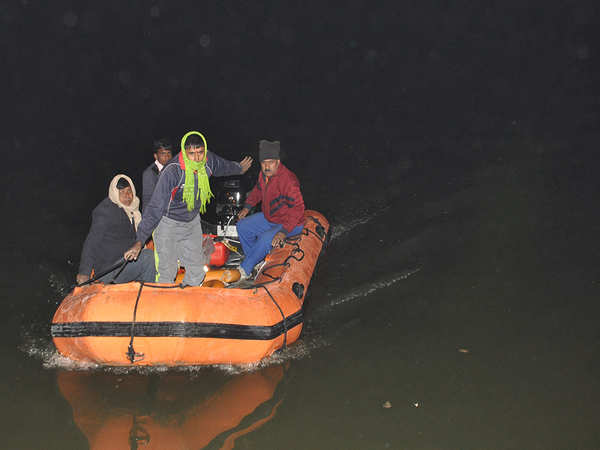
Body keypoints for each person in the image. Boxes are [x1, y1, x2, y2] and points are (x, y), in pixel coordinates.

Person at [124, 131, 253, 286]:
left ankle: (188, 301)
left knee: (197, 271)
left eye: (200, 152)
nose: (197, 158)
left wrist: (238, 168)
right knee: (167, 271)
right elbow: (155, 207)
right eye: (191, 154)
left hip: (191, 221)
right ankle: (165, 304)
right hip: (167, 223)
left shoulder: (208, 161)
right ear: (184, 153)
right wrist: (140, 240)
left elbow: (223, 166)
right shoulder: (172, 171)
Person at [236, 140, 305, 279]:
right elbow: (257, 191)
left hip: (291, 223)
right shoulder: (264, 175)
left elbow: (298, 209)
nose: (267, 166)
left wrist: (283, 232)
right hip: (271, 218)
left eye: (271, 162)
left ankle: (244, 270)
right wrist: (247, 207)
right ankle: (255, 262)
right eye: (263, 162)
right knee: (242, 226)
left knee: (265, 238)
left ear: (278, 162)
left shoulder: (288, 181)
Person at [76, 175, 156, 285]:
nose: (127, 195)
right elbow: (92, 242)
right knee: (148, 257)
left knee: (154, 258)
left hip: (127, 263)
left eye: (129, 191)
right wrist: (84, 272)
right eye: (122, 192)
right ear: (114, 192)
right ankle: (148, 297)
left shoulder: (133, 210)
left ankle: (139, 293)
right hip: (110, 270)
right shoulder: (105, 211)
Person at [142, 138, 173, 213]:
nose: (167, 157)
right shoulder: (150, 173)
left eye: (169, 153)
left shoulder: (174, 168)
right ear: (156, 156)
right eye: (163, 154)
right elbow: (147, 199)